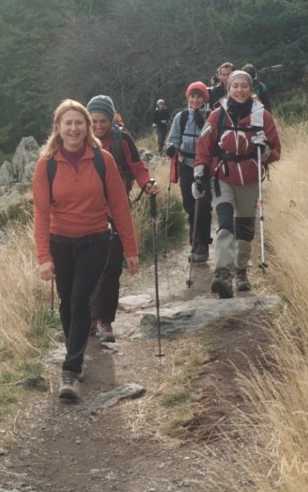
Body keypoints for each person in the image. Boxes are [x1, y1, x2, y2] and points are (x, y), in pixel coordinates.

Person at [33, 99, 140, 402]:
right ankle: (75, 349)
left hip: (96, 240)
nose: (74, 128)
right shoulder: (47, 164)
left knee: (80, 300)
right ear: (58, 128)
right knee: (68, 304)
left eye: (79, 122)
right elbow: (40, 214)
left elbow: (119, 207)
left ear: (87, 127)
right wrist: (44, 258)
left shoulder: (102, 160)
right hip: (60, 242)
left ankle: (71, 370)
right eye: (68, 122)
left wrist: (130, 250)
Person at [194, 70, 281, 298]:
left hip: (250, 179)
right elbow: (203, 146)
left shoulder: (262, 116)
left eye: (244, 86)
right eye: (235, 86)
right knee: (225, 223)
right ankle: (223, 273)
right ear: (228, 88)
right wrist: (199, 172)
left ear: (250, 89)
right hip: (222, 176)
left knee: (245, 227)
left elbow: (276, 151)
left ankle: (242, 271)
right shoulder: (217, 115)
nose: (240, 90)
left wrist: (265, 149)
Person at [86, 94, 158, 343]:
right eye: (93, 121)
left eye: (102, 121)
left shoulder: (121, 139)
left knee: (111, 266)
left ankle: (104, 320)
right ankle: (88, 319)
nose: (97, 126)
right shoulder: (79, 140)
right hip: (86, 212)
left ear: (111, 119)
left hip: (116, 210)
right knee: (86, 267)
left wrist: (146, 184)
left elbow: (137, 166)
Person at [165, 81, 213, 263]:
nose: (195, 99)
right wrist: (171, 148)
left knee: (204, 204)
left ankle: (203, 244)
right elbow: (173, 138)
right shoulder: (181, 117)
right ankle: (195, 240)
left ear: (204, 98)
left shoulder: (210, 116)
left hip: (205, 165)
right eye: (192, 96)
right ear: (188, 98)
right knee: (190, 204)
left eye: (199, 96)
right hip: (185, 163)